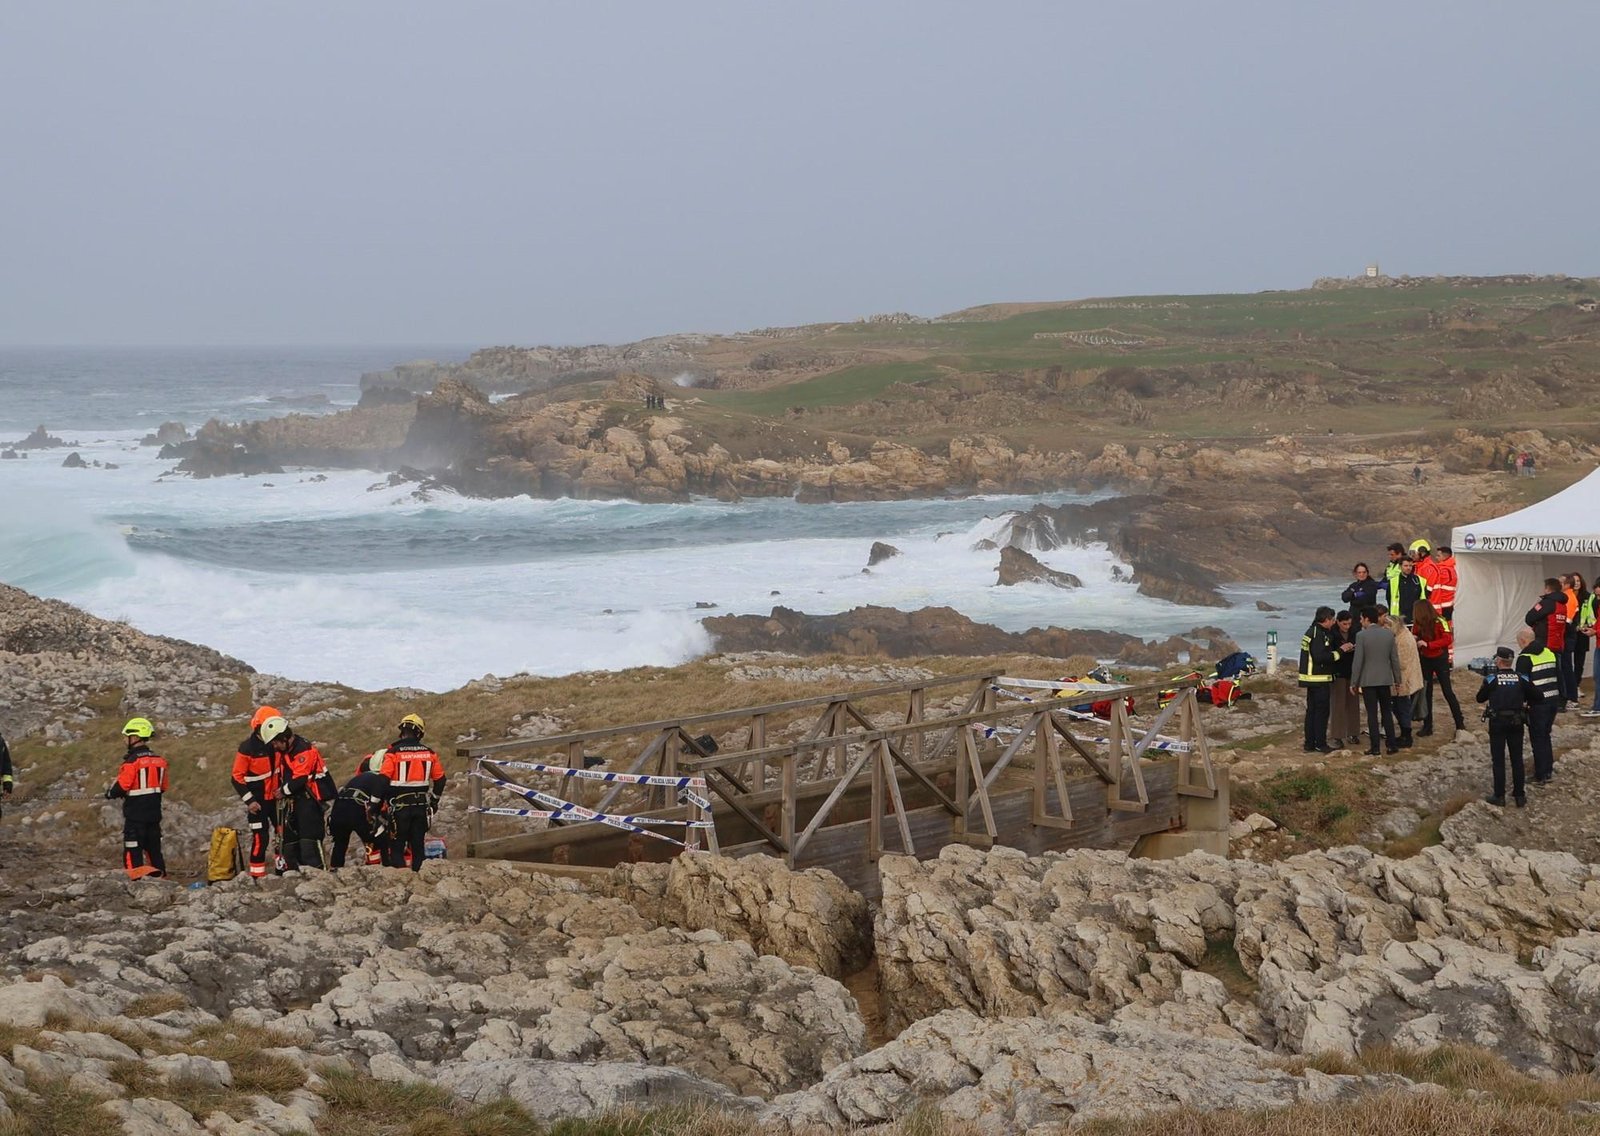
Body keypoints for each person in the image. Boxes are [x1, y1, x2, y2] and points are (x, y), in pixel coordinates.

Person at [378, 714, 446, 872]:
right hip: (421, 806)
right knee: (418, 846)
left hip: (399, 807)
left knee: (397, 846)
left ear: (401, 731)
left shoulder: (393, 752)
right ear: (420, 733)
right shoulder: (429, 753)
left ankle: (401, 880)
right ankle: (418, 880)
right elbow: (441, 780)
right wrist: (434, 801)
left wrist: (375, 805)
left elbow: (382, 780)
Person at [267, 717, 335, 872]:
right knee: (289, 845)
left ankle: (319, 877)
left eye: (276, 742)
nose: (274, 746)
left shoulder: (304, 749)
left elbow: (300, 777)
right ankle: (294, 877)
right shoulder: (287, 751)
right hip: (294, 801)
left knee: (309, 842)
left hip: (309, 800)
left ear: (284, 738)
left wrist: (282, 791)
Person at [1476, 645, 1539, 807]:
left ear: (1498, 661)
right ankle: (1519, 795)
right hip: (1517, 721)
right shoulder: (1522, 678)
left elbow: (1479, 698)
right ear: (1511, 662)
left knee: (1498, 760)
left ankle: (1499, 795)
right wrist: (1526, 703)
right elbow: (1538, 695)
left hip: (1497, 722)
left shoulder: (1491, 679)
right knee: (1517, 758)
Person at [104, 717, 168, 877]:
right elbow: (163, 787)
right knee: (154, 853)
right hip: (154, 818)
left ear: (135, 737)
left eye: (126, 736)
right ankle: (162, 882)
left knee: (133, 853)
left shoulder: (132, 762)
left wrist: (110, 793)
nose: (124, 739)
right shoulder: (160, 761)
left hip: (135, 819)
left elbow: (122, 786)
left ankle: (136, 884)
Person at [231, 705, 285, 880]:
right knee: (260, 839)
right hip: (258, 803)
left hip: (276, 801)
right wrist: (250, 801)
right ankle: (257, 877)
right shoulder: (247, 748)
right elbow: (236, 777)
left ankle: (282, 871)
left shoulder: (277, 745)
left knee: (282, 835)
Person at [1351, 605, 1402, 756]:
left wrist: (1354, 682)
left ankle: (1375, 747)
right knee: (1386, 712)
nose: (1361, 622)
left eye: (1361, 619)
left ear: (1367, 619)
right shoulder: (1388, 634)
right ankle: (1392, 745)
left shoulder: (1361, 636)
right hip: (1385, 679)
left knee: (1372, 714)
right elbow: (1394, 659)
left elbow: (1358, 661)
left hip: (1368, 681)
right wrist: (1397, 680)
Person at [329, 753, 392, 870]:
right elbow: (381, 804)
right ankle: (378, 869)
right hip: (356, 809)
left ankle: (334, 871)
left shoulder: (360, 777)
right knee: (376, 839)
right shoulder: (381, 779)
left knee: (340, 843)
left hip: (338, 809)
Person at [1413, 600, 1464, 737]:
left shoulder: (1440, 621)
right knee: (1426, 693)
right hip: (1425, 659)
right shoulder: (1418, 623)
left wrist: (1429, 644)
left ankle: (1460, 723)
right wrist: (1415, 638)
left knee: (1447, 691)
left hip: (1440, 658)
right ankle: (1427, 726)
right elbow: (1416, 634)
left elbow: (1447, 639)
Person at [1517, 627, 1560, 784]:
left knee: (1538, 738)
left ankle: (1541, 775)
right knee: (1545, 735)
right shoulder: (1549, 652)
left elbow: (1522, 685)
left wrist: (1522, 705)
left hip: (1538, 704)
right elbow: (1559, 675)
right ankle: (1548, 770)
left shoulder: (1525, 657)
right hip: (1553, 701)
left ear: (1523, 641)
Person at [1298, 606, 1338, 753]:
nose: (1334, 623)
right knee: (1321, 712)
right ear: (1326, 619)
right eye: (1332, 620)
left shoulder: (1312, 631)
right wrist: (1339, 652)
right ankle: (1320, 743)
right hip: (1318, 679)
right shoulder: (1318, 634)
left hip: (1311, 679)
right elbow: (1320, 657)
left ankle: (1309, 743)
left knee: (1312, 712)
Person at [1525, 578, 1568, 707]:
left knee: (1541, 671)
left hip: (1545, 643)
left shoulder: (1547, 603)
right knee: (1558, 672)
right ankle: (1561, 699)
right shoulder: (1562, 604)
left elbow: (1529, 617)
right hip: (1557, 643)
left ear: (1548, 588)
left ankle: (1543, 697)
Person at [1385, 608, 1424, 748]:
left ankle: (1406, 736)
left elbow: (1401, 663)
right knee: (1399, 707)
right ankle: (1404, 733)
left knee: (1402, 708)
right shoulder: (1403, 635)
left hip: (1403, 680)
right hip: (1402, 679)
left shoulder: (1403, 640)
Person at [1327, 610, 1361, 747]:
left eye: (1349, 624)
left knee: (1353, 705)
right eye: (1344, 624)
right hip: (1338, 673)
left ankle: (1353, 733)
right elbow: (1329, 653)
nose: (1347, 626)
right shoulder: (1331, 634)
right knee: (1338, 705)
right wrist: (1341, 649)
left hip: (1352, 672)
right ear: (1338, 622)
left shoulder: (1355, 632)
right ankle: (1337, 736)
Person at [1389, 558, 1429, 627]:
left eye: (1410, 566)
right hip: (1400, 618)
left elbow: (1425, 598)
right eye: (1406, 566)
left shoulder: (1420, 580)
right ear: (1400, 566)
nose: (1408, 568)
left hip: (1417, 617)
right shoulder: (1393, 582)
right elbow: (1389, 599)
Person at [1428, 546, 1459, 621]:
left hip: (1441, 604)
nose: (1436, 557)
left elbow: (1434, 586)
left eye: (1438, 555)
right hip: (1449, 604)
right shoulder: (1453, 568)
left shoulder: (1442, 570)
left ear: (1445, 557)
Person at [1380, 544, 1407, 617]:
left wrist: (1388, 584)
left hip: (1400, 596)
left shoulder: (1405, 565)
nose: (1390, 556)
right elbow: (1386, 577)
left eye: (1392, 554)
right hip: (1391, 594)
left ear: (1399, 554)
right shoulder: (1391, 565)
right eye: (1389, 555)